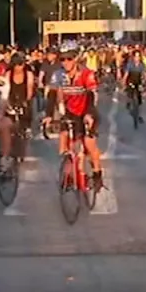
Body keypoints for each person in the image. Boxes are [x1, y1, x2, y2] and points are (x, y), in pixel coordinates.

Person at [43, 47, 104, 187]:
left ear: (75, 59)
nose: (65, 62)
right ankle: (71, 173)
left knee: (89, 143)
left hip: (87, 110)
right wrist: (48, 115)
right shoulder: (58, 74)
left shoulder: (86, 73)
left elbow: (91, 95)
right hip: (70, 112)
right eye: (62, 59)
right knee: (66, 142)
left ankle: (97, 173)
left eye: (69, 59)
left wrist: (89, 114)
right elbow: (52, 95)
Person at [3, 54, 36, 158]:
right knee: (8, 123)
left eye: (21, 65)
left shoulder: (28, 74)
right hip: (11, 99)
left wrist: (26, 101)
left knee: (24, 120)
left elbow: (30, 88)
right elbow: (5, 90)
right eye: (16, 65)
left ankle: (26, 131)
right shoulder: (8, 74)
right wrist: (7, 103)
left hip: (24, 99)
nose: (19, 67)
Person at [120, 45, 146, 120]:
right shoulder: (130, 64)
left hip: (138, 81)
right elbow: (126, 74)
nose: (137, 58)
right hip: (131, 81)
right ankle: (129, 102)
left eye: (138, 56)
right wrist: (123, 82)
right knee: (130, 93)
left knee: (140, 99)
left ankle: (139, 114)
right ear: (133, 57)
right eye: (135, 56)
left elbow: (144, 74)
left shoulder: (142, 65)